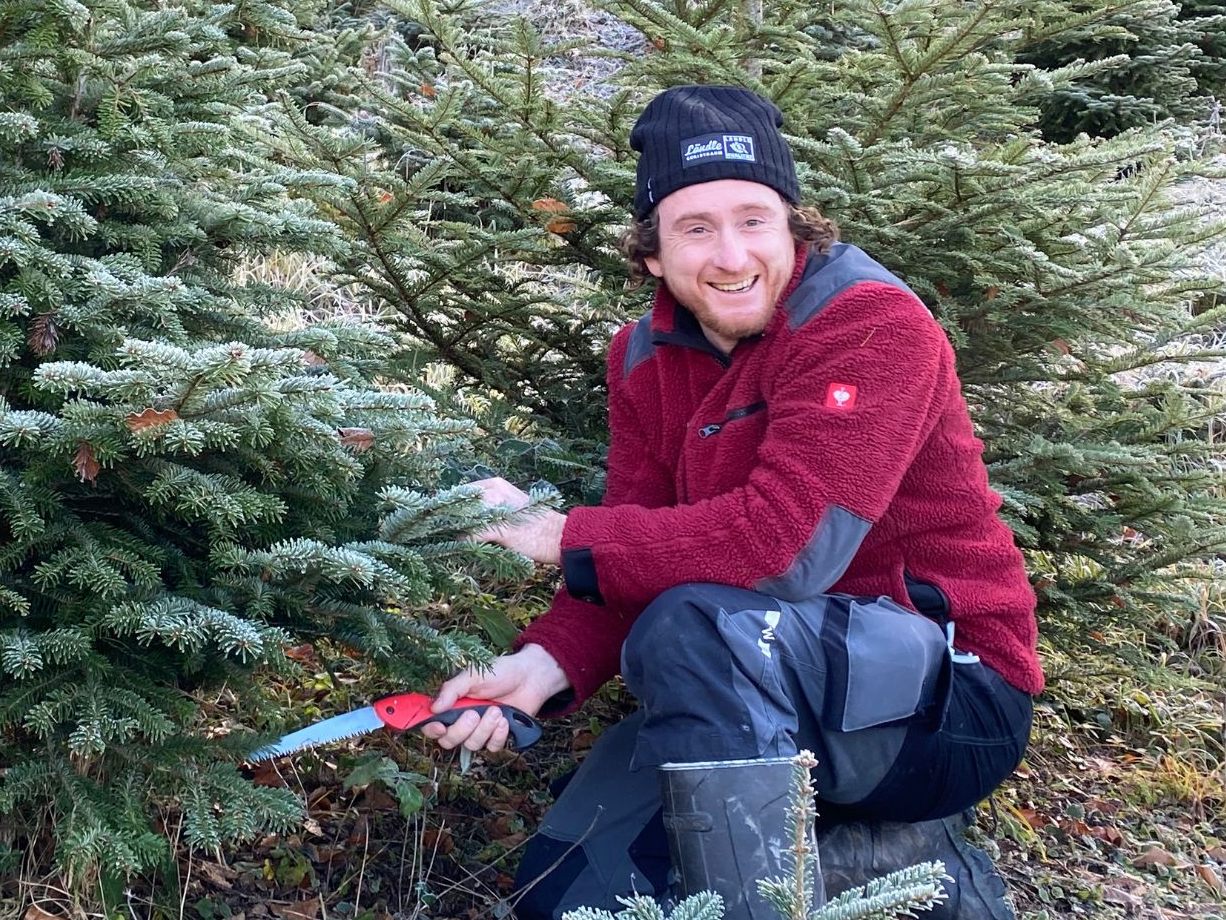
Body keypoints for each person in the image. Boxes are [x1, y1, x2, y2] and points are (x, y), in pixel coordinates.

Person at [419, 85, 1043, 920]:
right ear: (651, 253)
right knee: (567, 890)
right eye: (695, 228)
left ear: (792, 224)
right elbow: (634, 555)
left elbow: (789, 550)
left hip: (950, 702)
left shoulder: (868, 322)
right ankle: (882, 869)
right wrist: (540, 669)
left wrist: (556, 533)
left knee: (695, 622)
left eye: (753, 218)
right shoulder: (641, 357)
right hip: (753, 683)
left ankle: (803, 886)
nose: (731, 254)